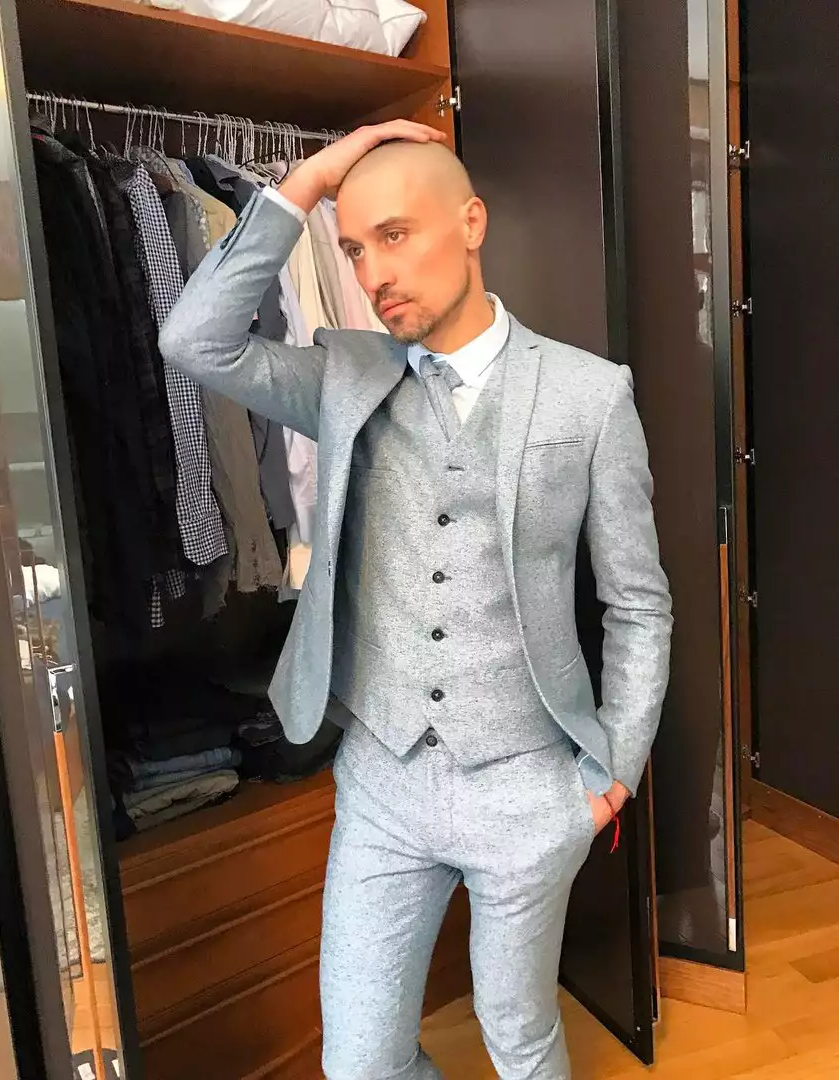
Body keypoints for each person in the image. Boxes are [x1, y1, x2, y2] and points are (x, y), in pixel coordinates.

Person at [160, 119, 672, 1080]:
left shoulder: (587, 395)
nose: (373, 273)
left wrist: (614, 770)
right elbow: (193, 340)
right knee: (359, 1062)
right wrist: (305, 184)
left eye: (394, 235)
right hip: (382, 785)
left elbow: (638, 604)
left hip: (530, 786)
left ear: (470, 222)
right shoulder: (344, 376)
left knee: (517, 1033)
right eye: (355, 250)